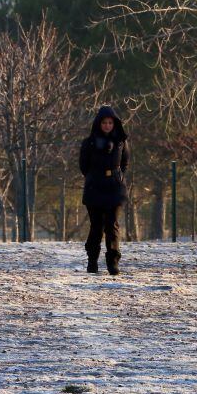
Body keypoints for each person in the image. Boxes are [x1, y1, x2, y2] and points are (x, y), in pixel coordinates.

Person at [79, 106, 128, 275]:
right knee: (96, 226)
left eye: (110, 123)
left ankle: (113, 261)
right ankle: (92, 260)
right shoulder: (89, 143)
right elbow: (83, 166)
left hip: (114, 187)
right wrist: (96, 176)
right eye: (104, 123)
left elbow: (124, 163)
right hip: (95, 187)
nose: (107, 126)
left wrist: (116, 177)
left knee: (112, 225)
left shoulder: (121, 142)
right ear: (98, 124)